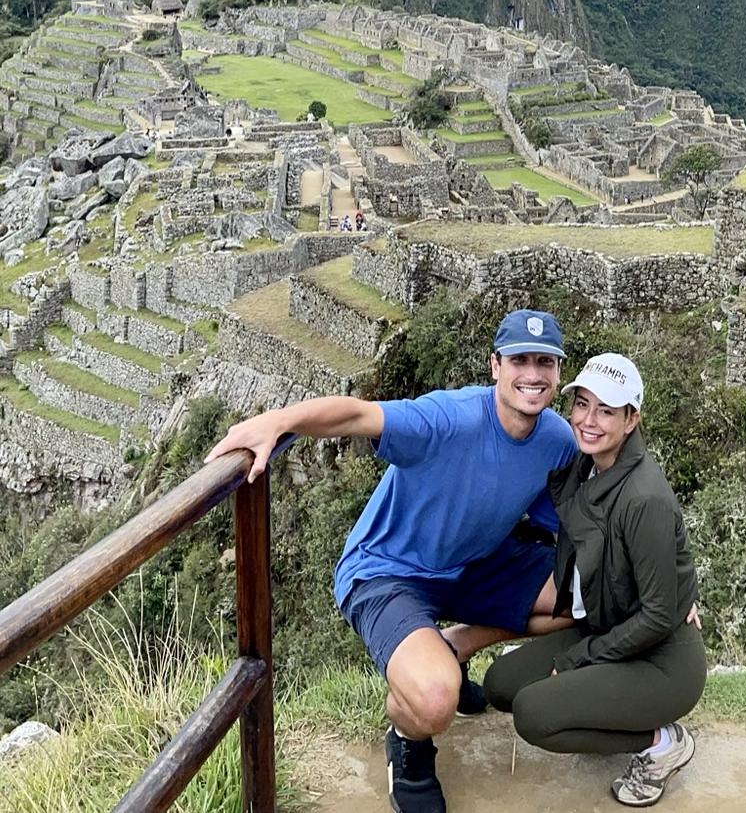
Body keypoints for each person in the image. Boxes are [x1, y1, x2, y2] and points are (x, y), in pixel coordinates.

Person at [206, 309, 578, 813]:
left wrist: (665, 575)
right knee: (433, 700)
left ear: (558, 372)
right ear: (495, 366)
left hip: (471, 564)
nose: (532, 375)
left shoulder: (556, 440)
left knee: (590, 591)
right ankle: (408, 742)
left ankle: (453, 645)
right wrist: (278, 421)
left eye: (544, 363)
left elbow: (582, 523)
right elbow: (359, 415)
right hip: (387, 571)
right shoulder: (450, 418)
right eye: (519, 360)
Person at [484, 352, 706, 808]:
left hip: (662, 660)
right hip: (608, 628)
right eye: (582, 404)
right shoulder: (583, 468)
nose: (589, 420)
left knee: (534, 715)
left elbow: (661, 613)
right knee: (501, 685)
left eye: (606, 410)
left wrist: (580, 658)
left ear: (631, 419)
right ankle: (603, 704)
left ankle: (661, 743)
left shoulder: (644, 500)